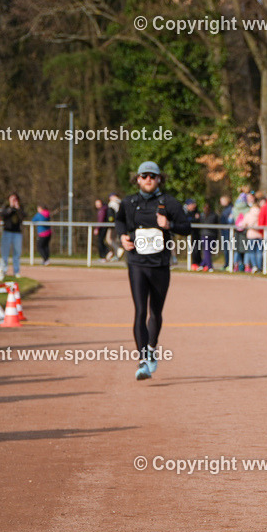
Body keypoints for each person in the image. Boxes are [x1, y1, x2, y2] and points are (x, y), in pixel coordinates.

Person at [114, 161, 191, 380]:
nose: (148, 179)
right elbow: (118, 221)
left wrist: (169, 226)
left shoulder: (169, 202)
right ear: (137, 179)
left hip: (160, 265)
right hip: (137, 263)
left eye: (152, 176)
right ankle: (142, 360)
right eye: (144, 176)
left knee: (155, 312)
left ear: (159, 179)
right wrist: (122, 238)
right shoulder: (129, 202)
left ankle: (151, 348)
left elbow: (187, 228)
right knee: (139, 310)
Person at [0, 192, 24, 277]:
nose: (14, 201)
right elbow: (3, 214)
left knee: (17, 253)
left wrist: (18, 208)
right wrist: (11, 208)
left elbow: (23, 216)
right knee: (4, 253)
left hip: (17, 233)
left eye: (15, 199)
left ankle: (16, 271)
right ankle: (3, 270)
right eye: (12, 199)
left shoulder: (20, 208)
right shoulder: (6, 207)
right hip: (7, 232)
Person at [106, 193, 122, 260]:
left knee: (109, 239)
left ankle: (118, 249)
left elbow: (111, 216)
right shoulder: (120, 203)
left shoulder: (112, 204)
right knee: (114, 239)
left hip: (113, 225)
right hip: (118, 224)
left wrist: (110, 221)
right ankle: (115, 254)